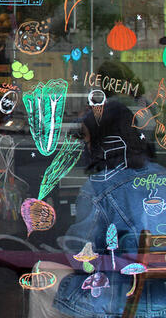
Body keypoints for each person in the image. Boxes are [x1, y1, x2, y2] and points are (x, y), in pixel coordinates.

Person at [28, 85, 166, 317]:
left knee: (41, 272)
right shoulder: (161, 174)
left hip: (122, 301)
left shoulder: (98, 187)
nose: (86, 147)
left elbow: (82, 256)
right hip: (161, 300)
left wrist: (60, 241)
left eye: (88, 140)